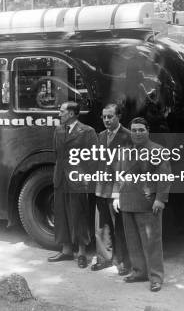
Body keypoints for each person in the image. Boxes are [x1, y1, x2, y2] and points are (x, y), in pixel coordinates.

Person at [119, 117, 171, 292]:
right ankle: (139, 271)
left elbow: (164, 176)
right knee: (132, 241)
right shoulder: (126, 151)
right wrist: (117, 197)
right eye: (134, 130)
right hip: (127, 200)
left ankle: (156, 277)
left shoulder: (157, 150)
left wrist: (160, 199)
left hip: (148, 203)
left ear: (148, 131)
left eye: (141, 129)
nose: (137, 133)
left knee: (151, 242)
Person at [47, 101, 97, 269]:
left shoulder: (87, 131)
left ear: (72, 114)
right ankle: (66, 250)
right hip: (60, 178)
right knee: (61, 214)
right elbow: (57, 153)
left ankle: (82, 252)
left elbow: (93, 157)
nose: (59, 114)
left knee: (79, 215)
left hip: (78, 179)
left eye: (61, 111)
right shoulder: (58, 130)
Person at [92, 104, 132, 274]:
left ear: (118, 117)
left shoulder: (128, 137)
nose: (106, 120)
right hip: (101, 188)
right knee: (101, 227)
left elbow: (127, 168)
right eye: (104, 117)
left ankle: (122, 262)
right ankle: (104, 259)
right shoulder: (100, 136)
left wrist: (118, 194)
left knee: (120, 228)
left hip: (117, 191)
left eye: (110, 116)